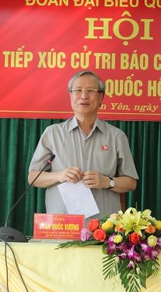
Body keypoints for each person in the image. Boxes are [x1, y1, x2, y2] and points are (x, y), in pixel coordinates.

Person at [28, 70, 139, 220]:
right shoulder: (53, 133)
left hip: (103, 231)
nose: (84, 96)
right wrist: (60, 175)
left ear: (101, 97)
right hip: (62, 229)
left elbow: (131, 183)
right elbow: (33, 177)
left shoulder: (116, 136)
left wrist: (107, 182)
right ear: (70, 96)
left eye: (91, 91)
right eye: (78, 90)